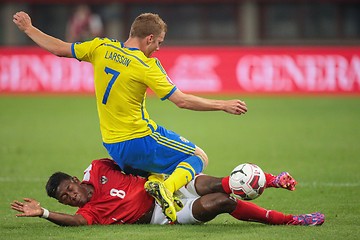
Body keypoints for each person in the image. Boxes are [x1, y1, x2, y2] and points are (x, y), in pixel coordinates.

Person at [13, 11, 248, 222]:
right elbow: (182, 100)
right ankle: (167, 190)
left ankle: (160, 201)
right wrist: (222, 104)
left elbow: (59, 49)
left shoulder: (101, 47)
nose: (158, 48)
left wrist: (28, 28)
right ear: (149, 39)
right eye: (158, 42)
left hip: (114, 147)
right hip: (139, 138)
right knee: (198, 157)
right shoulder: (145, 65)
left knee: (155, 177)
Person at [10, 158, 324, 226]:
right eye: (63, 198)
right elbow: (77, 223)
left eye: (68, 190)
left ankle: (271, 179)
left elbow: (130, 160)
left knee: (209, 183)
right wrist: (45, 213)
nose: (70, 197)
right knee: (223, 202)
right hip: (162, 212)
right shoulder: (88, 213)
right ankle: (292, 221)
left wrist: (162, 176)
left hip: (164, 185)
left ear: (75, 180)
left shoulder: (99, 169)